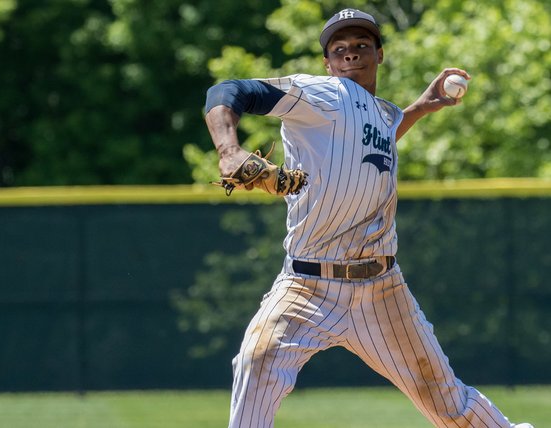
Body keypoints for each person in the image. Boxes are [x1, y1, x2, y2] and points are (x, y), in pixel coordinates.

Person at [204, 7, 534, 428]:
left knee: (446, 401)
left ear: (380, 55)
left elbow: (376, 138)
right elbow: (227, 90)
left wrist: (421, 107)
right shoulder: (322, 94)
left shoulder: (385, 114)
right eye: (339, 48)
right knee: (257, 364)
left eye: (362, 45)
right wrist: (228, 149)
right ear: (327, 63)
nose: (350, 54)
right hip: (307, 286)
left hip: (382, 290)